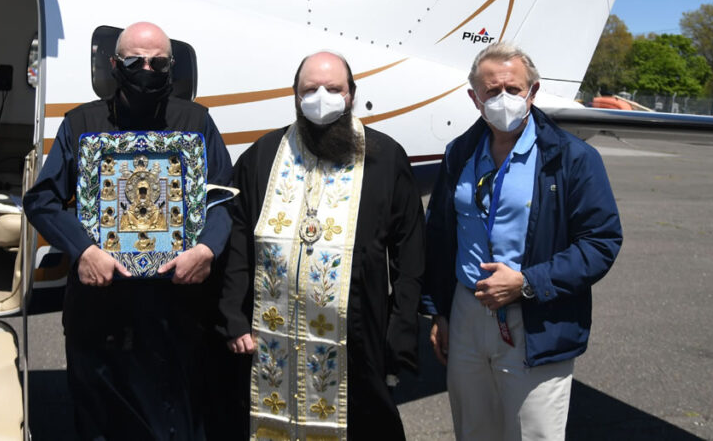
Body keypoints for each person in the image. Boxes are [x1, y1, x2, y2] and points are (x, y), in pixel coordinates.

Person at [23, 21, 233, 441]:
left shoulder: (196, 121)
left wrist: (208, 249)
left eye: (158, 62)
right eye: (136, 61)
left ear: (171, 67)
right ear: (116, 64)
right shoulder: (83, 124)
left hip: (176, 305)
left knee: (176, 422)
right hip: (102, 307)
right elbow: (42, 200)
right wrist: (82, 250)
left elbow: (223, 200)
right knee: (102, 423)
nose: (147, 70)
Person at [218, 51, 425, 441]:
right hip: (271, 335)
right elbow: (238, 241)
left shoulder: (384, 157)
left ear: (352, 95)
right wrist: (232, 313)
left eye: (333, 88)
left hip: (357, 336)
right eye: (310, 89)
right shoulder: (262, 156)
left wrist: (401, 327)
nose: (321, 97)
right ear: (295, 96)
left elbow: (409, 251)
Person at [422, 42, 623, 440]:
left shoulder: (572, 157)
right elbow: (440, 235)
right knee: (473, 429)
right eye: (491, 91)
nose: (503, 99)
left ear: (532, 91)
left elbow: (601, 242)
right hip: (466, 309)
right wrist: (439, 310)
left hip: (534, 313)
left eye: (512, 89)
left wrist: (527, 281)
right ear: (474, 99)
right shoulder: (459, 153)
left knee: (534, 433)